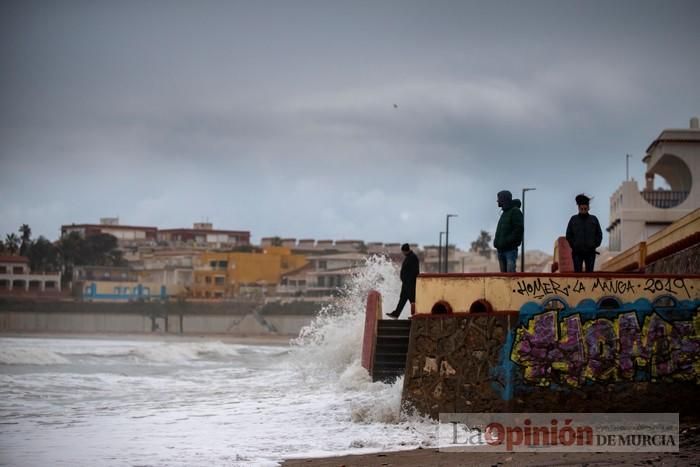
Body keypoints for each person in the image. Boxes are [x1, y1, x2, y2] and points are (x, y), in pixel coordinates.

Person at [566, 194, 603, 272]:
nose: (583, 210)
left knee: (589, 275)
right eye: (581, 208)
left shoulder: (594, 219)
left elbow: (599, 234)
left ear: (588, 208)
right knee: (577, 276)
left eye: (585, 208)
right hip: (577, 253)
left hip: (590, 252)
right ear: (578, 208)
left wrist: (594, 245)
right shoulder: (573, 219)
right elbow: (568, 235)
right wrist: (574, 246)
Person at [386, 243, 420, 319]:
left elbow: (415, 271)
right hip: (406, 284)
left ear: (405, 251)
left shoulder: (413, 257)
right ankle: (396, 314)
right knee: (403, 299)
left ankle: (417, 314)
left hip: (410, 284)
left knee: (413, 300)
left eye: (403, 252)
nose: (403, 253)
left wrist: (409, 281)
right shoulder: (409, 257)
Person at [493, 190, 523, 273]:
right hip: (501, 251)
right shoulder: (504, 213)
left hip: (510, 250)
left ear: (504, 199)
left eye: (499, 199)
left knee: (510, 276)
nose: (497, 201)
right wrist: (497, 243)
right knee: (503, 278)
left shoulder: (515, 211)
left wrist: (507, 242)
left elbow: (519, 230)